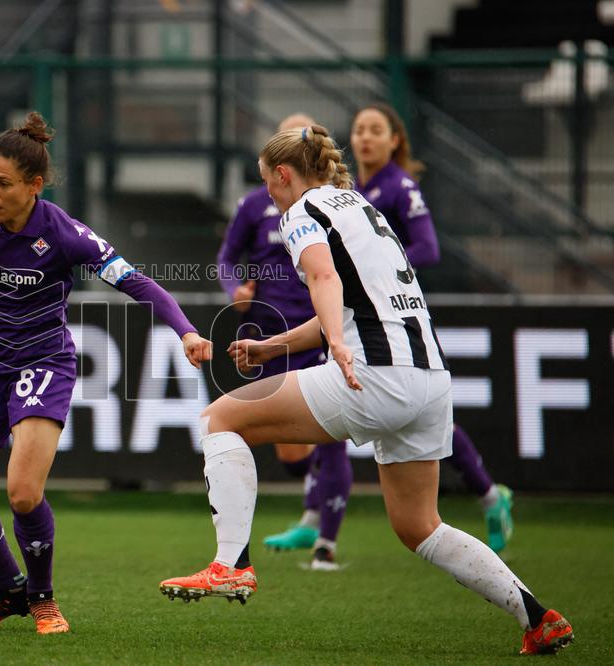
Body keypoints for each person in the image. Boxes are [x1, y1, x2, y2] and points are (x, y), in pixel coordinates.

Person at [158, 124, 573, 656]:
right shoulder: (361, 208)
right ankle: (538, 618)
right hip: (429, 380)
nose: (269, 195)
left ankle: (231, 564)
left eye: (269, 183)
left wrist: (336, 342)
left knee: (220, 418)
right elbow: (356, 302)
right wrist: (274, 346)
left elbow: (325, 282)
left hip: (374, 373)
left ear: (284, 175)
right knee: (419, 526)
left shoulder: (302, 212)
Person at [0, 112, 212, 635]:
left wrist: (185, 331)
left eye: (3, 184)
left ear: (34, 186)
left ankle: (44, 600)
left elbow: (139, 282)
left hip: (42, 363)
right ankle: (9, 592)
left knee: (24, 492)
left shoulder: (65, 234)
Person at [264, 103, 515, 557]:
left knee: (394, 409)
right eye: (358, 130)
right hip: (352, 316)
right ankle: (316, 518)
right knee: (372, 422)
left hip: (390, 318)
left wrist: (376, 280)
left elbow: (428, 249)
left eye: (375, 130)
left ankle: (489, 495)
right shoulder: (349, 191)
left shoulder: (398, 188)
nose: (364, 138)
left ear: (395, 140)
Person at [217, 112, 351, 570]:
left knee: (333, 437)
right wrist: (234, 289)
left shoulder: (332, 208)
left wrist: (334, 331)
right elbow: (226, 259)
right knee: (293, 452)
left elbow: (329, 274)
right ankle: (316, 496)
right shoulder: (256, 205)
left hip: (320, 332)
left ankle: (324, 545)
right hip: (272, 334)